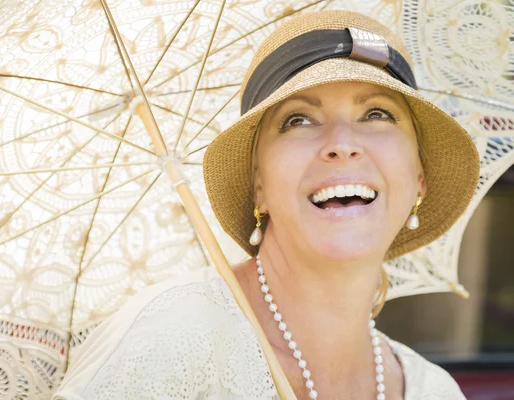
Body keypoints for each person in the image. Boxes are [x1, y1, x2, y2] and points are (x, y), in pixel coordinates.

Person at [53, 10, 479, 400]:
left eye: (377, 114)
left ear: (419, 176)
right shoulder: (166, 340)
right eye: (298, 120)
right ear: (258, 186)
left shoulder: (435, 390)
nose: (343, 145)